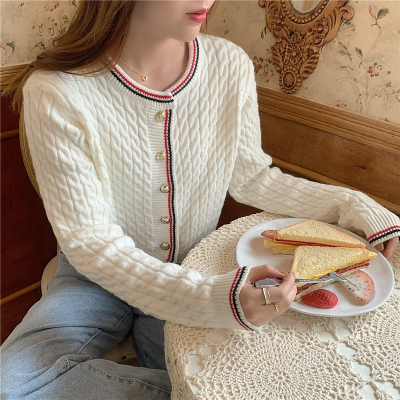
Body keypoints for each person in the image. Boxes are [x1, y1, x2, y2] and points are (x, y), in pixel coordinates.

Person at [1, 1, 399, 399]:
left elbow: (253, 179)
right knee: (10, 384)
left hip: (195, 267)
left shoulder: (229, 65)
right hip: (94, 280)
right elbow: (89, 240)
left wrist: (352, 204)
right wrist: (209, 299)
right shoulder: (55, 90)